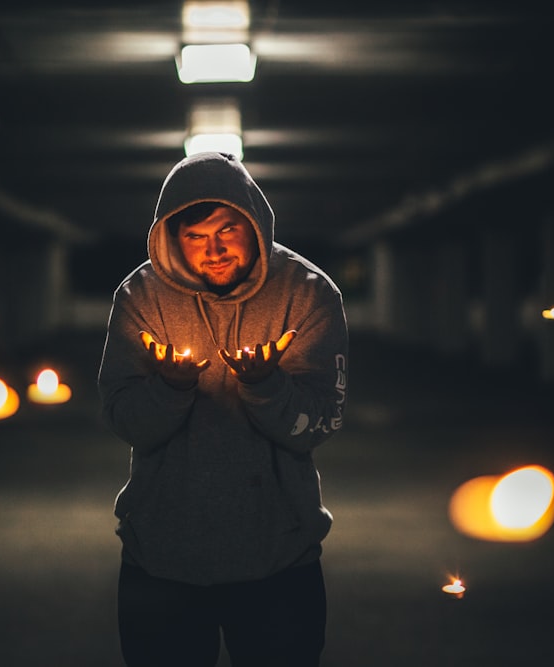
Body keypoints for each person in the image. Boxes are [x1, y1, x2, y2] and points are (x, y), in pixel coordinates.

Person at [97, 151, 348, 667]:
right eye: (194, 236)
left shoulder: (307, 295)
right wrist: (169, 387)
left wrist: (266, 384)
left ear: (254, 224)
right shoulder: (141, 297)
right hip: (161, 558)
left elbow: (318, 423)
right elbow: (126, 421)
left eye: (227, 230)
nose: (213, 250)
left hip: (280, 559)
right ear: (171, 236)